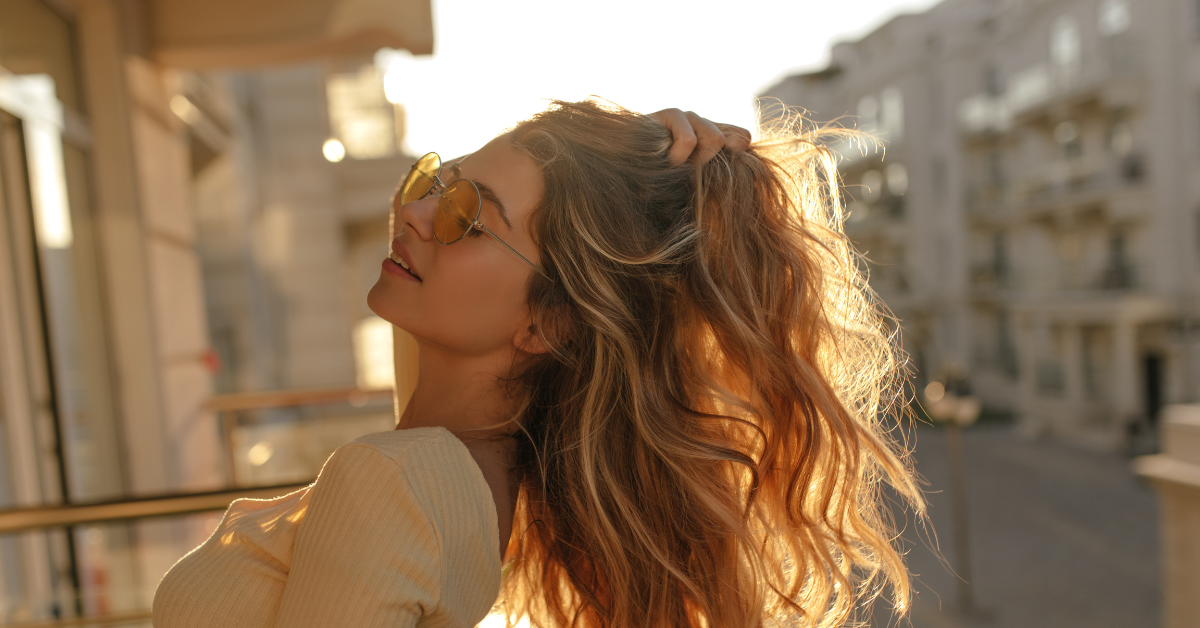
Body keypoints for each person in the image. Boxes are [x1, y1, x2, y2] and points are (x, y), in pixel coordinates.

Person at [153, 101, 922, 628]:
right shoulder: (471, 470)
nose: (416, 213)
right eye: (439, 182)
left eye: (469, 217)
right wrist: (639, 169)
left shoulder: (400, 479)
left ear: (547, 323)